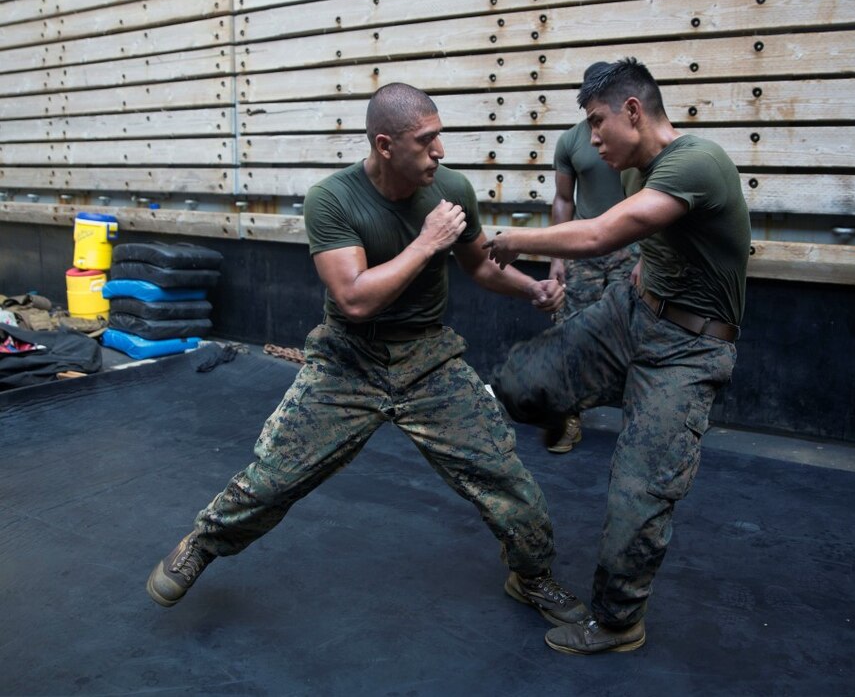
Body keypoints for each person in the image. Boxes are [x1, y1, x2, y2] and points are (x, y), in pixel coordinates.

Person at [146, 83, 590, 631]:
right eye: (425, 141)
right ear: (385, 145)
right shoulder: (332, 198)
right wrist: (426, 242)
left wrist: (530, 288)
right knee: (274, 477)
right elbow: (354, 298)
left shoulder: (451, 189)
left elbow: (478, 265)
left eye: (439, 136)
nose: (440, 151)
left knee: (502, 475)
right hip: (347, 359)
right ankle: (202, 543)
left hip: (428, 356)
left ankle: (531, 575)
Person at [483, 58, 751, 654]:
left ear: (633, 111)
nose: (593, 137)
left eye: (598, 121)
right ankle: (566, 404)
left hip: (688, 349)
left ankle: (618, 621)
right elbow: (654, 240)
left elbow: (600, 233)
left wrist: (514, 239)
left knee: (638, 493)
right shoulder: (637, 170)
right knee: (521, 381)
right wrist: (643, 273)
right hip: (632, 313)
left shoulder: (697, 161)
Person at [545, 62, 640, 454]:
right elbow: (562, 199)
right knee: (570, 333)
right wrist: (557, 256)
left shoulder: (632, 139)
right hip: (583, 251)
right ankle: (569, 420)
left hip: (629, 249)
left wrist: (647, 256)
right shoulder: (570, 141)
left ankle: (639, 429)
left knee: (634, 333)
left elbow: (653, 200)